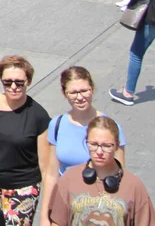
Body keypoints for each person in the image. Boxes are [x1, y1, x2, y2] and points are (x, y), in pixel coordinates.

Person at [0, 56, 51, 226]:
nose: (13, 87)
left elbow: (46, 166)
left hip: (22, 189)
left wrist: (46, 212)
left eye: (19, 82)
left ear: (28, 81)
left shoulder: (38, 116)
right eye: (8, 82)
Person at [46, 117, 155, 226]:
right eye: (93, 144)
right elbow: (57, 222)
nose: (99, 152)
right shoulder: (69, 179)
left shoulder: (134, 186)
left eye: (106, 146)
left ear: (117, 145)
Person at [40, 66, 125, 204]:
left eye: (84, 91)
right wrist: (45, 214)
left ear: (92, 88)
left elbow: (120, 175)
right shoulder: (57, 124)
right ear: (64, 93)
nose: (79, 97)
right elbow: (51, 174)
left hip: (99, 203)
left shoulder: (110, 127)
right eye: (73, 92)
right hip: (65, 201)